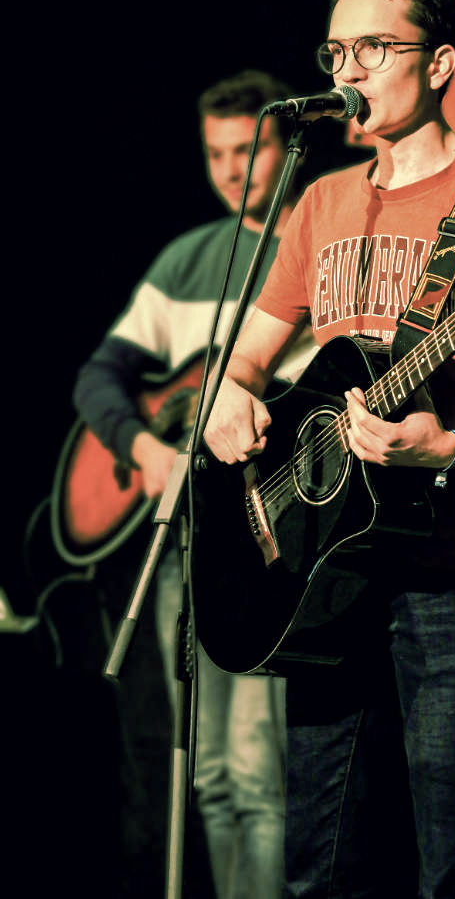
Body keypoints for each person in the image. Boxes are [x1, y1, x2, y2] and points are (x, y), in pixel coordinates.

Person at [203, 0, 455, 898]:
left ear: (440, 62)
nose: (349, 69)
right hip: (321, 568)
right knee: (315, 867)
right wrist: (230, 401)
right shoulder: (323, 200)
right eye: (336, 50)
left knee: (453, 865)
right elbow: (243, 363)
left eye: (373, 47)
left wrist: (447, 445)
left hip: (448, 570)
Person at [73, 69, 314, 899]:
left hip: (263, 533)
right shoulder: (186, 259)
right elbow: (99, 377)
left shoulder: (316, 241)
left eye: (249, 149)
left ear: (286, 145)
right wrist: (145, 449)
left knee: (256, 772)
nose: (233, 171)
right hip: (181, 538)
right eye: (216, 153)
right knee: (206, 775)